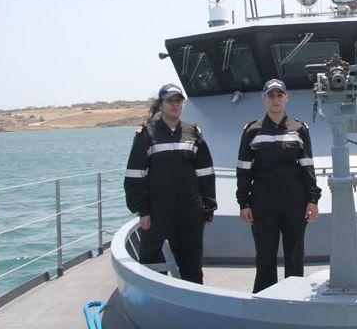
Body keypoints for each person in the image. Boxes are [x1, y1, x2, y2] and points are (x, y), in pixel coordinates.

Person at [124, 83, 216, 284]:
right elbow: (134, 176)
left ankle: (194, 297)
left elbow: (206, 173)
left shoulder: (193, 133)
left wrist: (207, 207)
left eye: (178, 101)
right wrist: (143, 211)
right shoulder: (146, 134)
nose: (175, 105)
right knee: (153, 263)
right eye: (170, 101)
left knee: (192, 263)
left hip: (189, 212)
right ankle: (154, 299)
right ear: (161, 105)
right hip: (158, 212)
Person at [236, 79, 322, 293]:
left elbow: (307, 166)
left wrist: (312, 199)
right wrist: (244, 203)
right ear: (264, 98)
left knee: (295, 254)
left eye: (279, 95)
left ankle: (295, 296)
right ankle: (265, 298)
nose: (275, 100)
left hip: (294, 200)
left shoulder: (299, 129)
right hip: (262, 201)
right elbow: (244, 169)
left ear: (286, 98)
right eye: (271, 95)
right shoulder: (252, 131)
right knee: (265, 253)